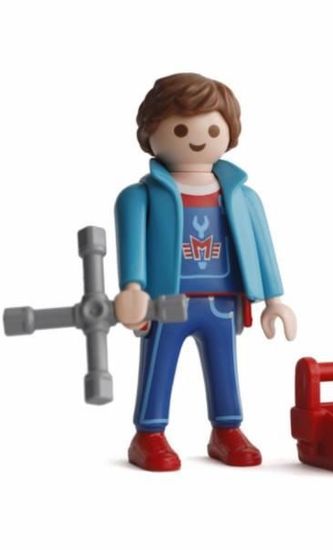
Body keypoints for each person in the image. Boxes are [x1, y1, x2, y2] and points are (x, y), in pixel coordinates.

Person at [114, 73, 296, 471]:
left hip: (223, 301)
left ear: (229, 133)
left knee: (224, 366)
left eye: (213, 129)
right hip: (166, 301)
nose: (197, 138)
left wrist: (274, 300)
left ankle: (227, 430)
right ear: (150, 131)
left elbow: (263, 248)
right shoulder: (139, 197)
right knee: (158, 366)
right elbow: (132, 246)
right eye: (180, 129)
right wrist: (132, 288)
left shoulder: (242, 197)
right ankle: (148, 434)